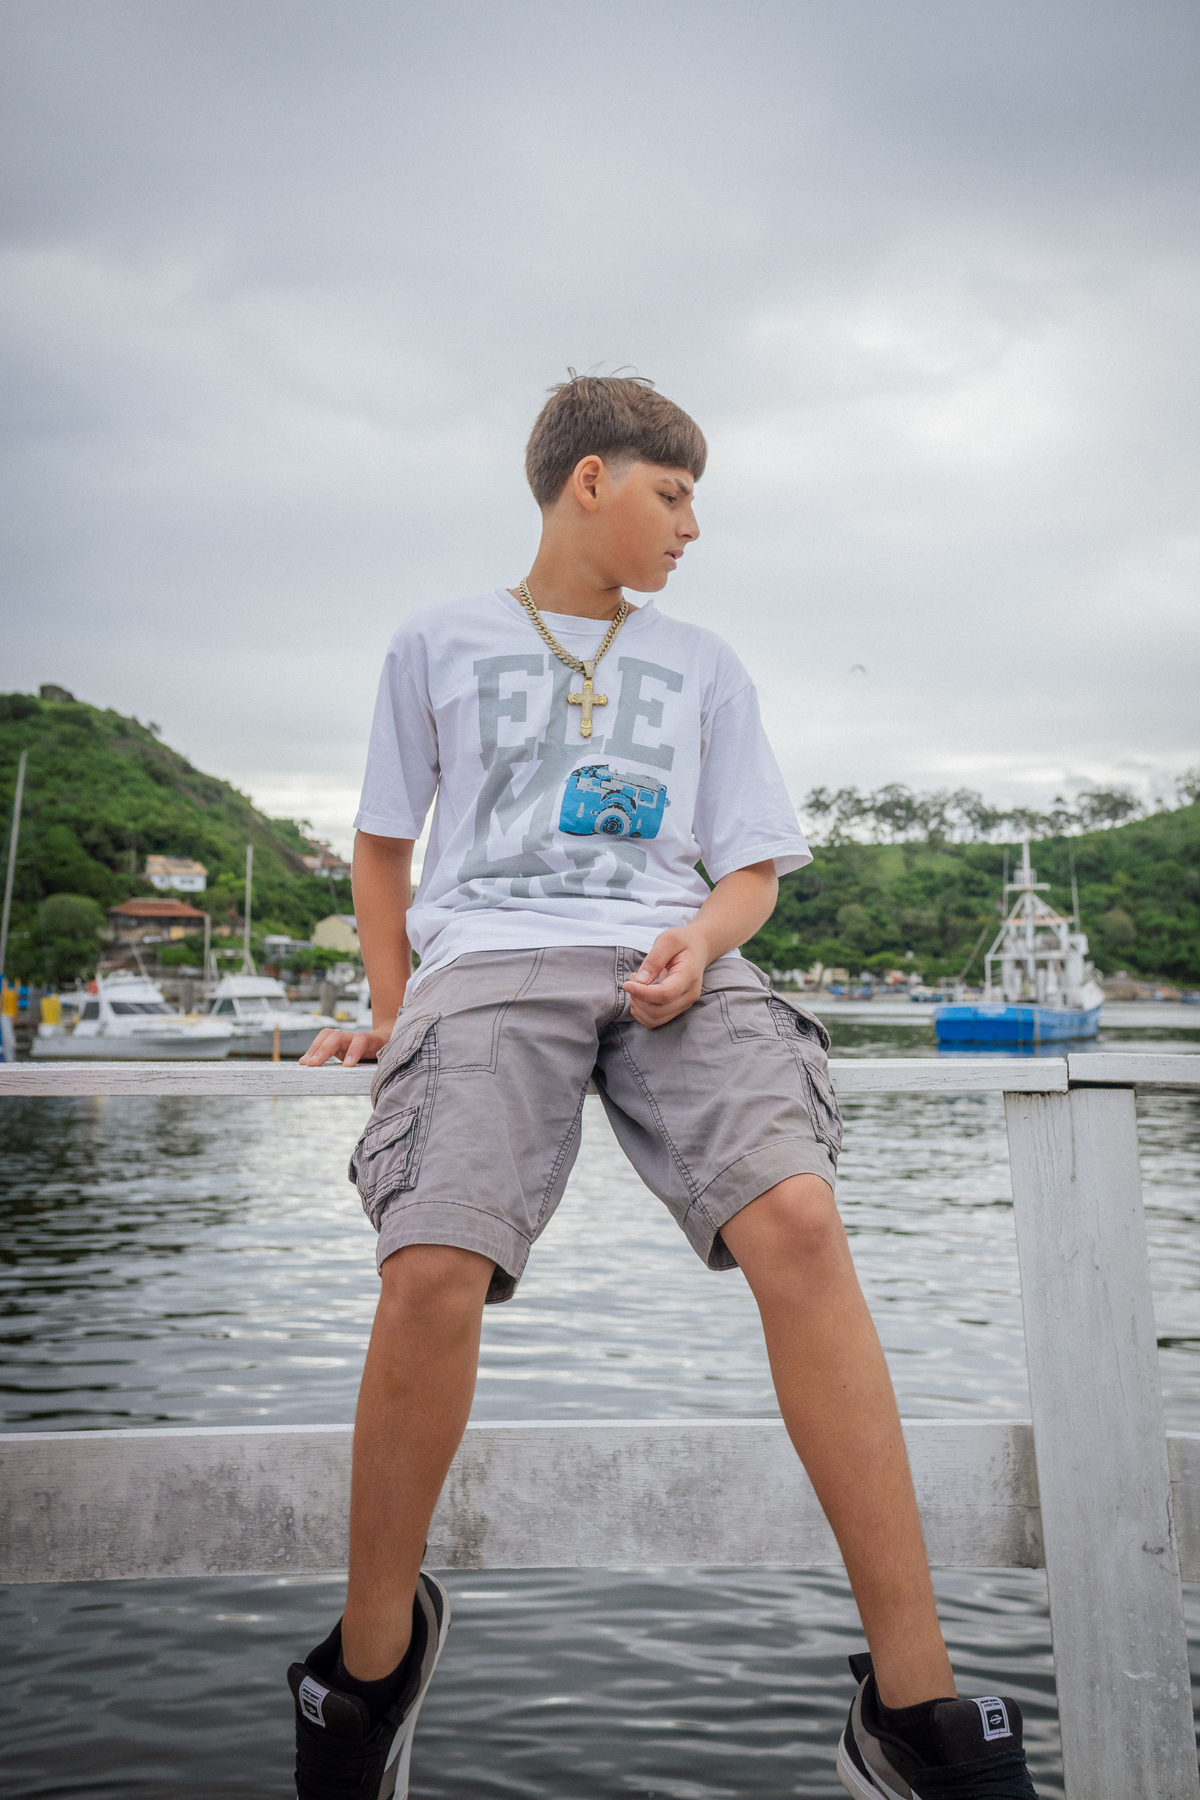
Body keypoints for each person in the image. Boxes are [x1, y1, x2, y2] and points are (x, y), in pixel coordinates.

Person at [288, 375, 1038, 1800]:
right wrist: (392, 1015)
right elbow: (383, 847)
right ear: (591, 481)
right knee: (434, 1258)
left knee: (799, 1220)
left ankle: (915, 1699)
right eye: (674, 494)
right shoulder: (438, 641)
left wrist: (700, 937)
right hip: (491, 963)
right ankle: (365, 1670)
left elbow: (749, 865)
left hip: (674, 957)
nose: (693, 527)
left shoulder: (703, 663)